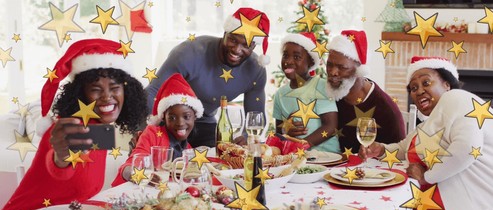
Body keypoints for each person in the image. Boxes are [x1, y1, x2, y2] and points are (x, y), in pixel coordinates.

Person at [0, 39, 148, 210]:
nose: (107, 96)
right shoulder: (67, 129)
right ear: (80, 94)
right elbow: (59, 166)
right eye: (96, 89)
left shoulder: (102, 130)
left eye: (115, 88)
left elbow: (83, 189)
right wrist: (61, 157)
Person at [359, 56, 493, 210]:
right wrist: (382, 149)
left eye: (426, 82)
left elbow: (467, 148)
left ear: (447, 85)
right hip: (426, 209)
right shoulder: (424, 128)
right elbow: (403, 149)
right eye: (413, 88)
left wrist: (426, 177)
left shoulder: (457, 98)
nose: (419, 90)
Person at [143, 7, 270, 148]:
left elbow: (256, 115)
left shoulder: (256, 70)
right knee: (160, 162)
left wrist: (247, 137)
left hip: (205, 123)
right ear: (225, 33)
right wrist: (143, 128)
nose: (237, 49)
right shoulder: (189, 52)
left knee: (216, 162)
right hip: (170, 121)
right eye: (233, 40)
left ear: (254, 46)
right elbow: (153, 90)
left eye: (246, 45)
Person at [112, 73, 204, 186]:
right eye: (172, 118)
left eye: (186, 117)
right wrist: (142, 175)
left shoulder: (187, 149)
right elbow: (128, 167)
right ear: (163, 118)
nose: (180, 123)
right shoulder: (152, 134)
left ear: (195, 117)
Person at [326, 30, 406, 153]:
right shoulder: (329, 94)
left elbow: (397, 157)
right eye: (329, 65)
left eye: (342, 67)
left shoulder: (386, 110)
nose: (332, 72)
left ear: (360, 70)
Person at [272, 32, 340, 152]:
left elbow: (330, 126)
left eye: (297, 57)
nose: (289, 61)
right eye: (285, 55)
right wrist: (285, 130)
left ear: (311, 63)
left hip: (326, 157)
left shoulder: (321, 86)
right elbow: (279, 132)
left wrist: (301, 146)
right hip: (298, 158)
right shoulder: (280, 94)